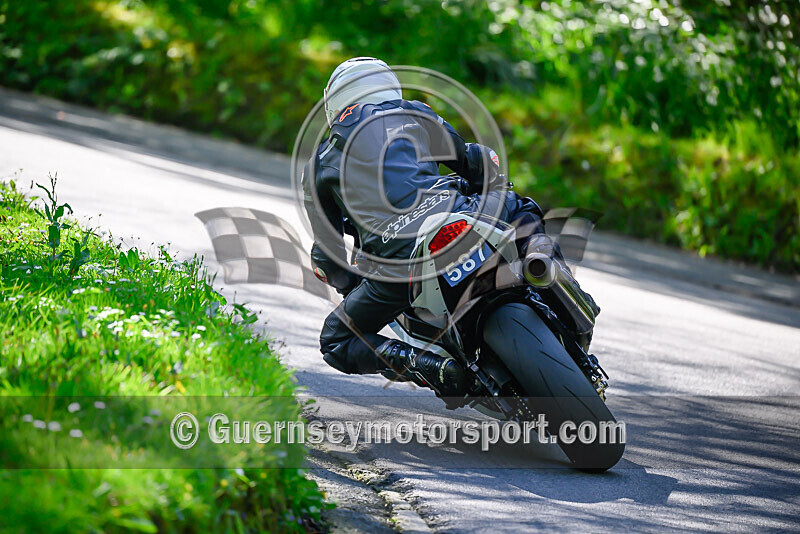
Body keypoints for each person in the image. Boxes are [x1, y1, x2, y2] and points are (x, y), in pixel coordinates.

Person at [302, 57, 587, 396]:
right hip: (456, 218)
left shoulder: (318, 163)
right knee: (522, 209)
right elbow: (472, 160)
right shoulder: (414, 112)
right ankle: (543, 267)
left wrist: (350, 286)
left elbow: (326, 253)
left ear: (334, 104)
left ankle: (430, 366)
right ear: (387, 86)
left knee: (336, 339)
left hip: (399, 268)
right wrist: (492, 185)